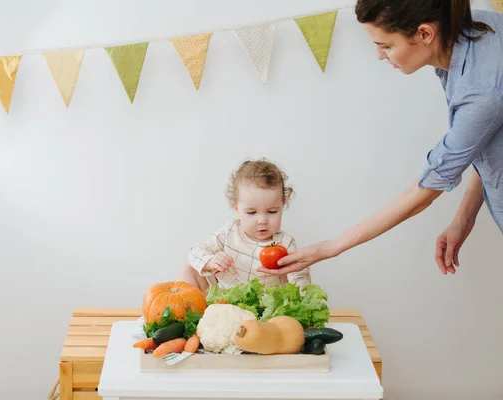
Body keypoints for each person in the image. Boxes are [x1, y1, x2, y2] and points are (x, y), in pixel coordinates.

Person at [258, 0, 503, 278]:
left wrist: (330, 247)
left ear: (424, 34)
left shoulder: (481, 90)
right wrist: (464, 218)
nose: (379, 55)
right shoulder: (480, 30)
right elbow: (485, 143)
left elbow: (423, 192)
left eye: (386, 45)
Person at [178, 159, 311, 293]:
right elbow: (196, 251)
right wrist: (210, 261)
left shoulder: (286, 243)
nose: (262, 220)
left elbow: (299, 277)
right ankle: (196, 311)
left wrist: (303, 296)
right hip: (226, 299)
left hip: (264, 307)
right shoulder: (230, 231)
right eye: (252, 212)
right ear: (236, 208)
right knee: (187, 271)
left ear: (283, 204)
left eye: (272, 212)